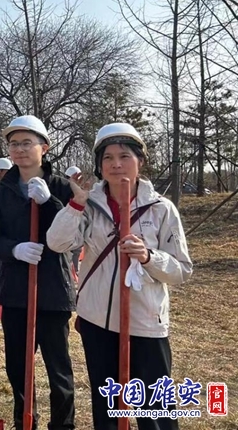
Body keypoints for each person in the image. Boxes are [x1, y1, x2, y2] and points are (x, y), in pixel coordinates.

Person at [47, 123, 192, 430]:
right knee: (108, 407)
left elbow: (181, 270)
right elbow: (57, 243)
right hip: (98, 320)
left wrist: (148, 256)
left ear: (141, 161)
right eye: (108, 158)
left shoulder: (161, 209)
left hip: (145, 321)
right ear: (99, 165)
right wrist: (76, 203)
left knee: (155, 409)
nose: (116, 164)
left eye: (125, 156)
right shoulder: (89, 206)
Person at [0, 115, 75, 430]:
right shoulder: (2, 192)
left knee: (58, 366)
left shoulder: (62, 186)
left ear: (44, 147)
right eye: (14, 144)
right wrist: (14, 249)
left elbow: (73, 234)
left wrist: (50, 203)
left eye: (27, 143)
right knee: (18, 366)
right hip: (16, 290)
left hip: (52, 289)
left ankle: (63, 424)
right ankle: (25, 422)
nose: (20, 149)